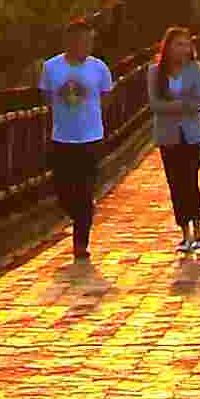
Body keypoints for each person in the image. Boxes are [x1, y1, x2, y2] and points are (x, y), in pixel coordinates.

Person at [38, 17, 117, 267]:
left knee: (84, 190)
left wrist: (91, 117)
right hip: (62, 137)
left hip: (91, 137)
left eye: (89, 41)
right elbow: (46, 97)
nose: (86, 46)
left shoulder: (99, 68)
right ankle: (81, 215)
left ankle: (80, 242)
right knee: (62, 190)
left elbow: (107, 97)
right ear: (69, 42)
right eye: (81, 41)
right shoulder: (52, 67)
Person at [153, 26, 200, 259]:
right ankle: (184, 231)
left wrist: (175, 106)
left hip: (192, 134)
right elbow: (155, 105)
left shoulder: (194, 70)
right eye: (178, 44)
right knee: (175, 182)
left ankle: (197, 229)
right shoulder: (155, 73)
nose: (182, 49)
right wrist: (182, 105)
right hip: (168, 136)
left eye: (186, 44)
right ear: (167, 48)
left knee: (190, 178)